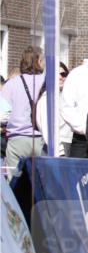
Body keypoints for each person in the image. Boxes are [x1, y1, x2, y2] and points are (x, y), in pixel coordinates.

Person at [3, 46, 45, 174]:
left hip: (17, 141)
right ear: (38, 61)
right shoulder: (46, 81)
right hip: (41, 140)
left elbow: (3, 115)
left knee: (13, 185)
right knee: (42, 183)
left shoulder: (10, 84)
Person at [36, 62, 70, 157]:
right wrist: (60, 151)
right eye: (56, 74)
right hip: (57, 149)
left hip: (69, 145)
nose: (60, 77)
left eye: (63, 74)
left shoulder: (66, 97)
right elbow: (48, 129)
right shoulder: (47, 100)